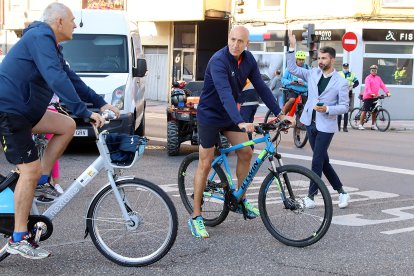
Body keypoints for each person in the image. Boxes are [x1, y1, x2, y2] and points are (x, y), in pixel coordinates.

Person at [0, 3, 119, 259]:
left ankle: (42, 183)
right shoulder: (40, 36)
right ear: (59, 22)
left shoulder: (52, 46)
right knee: (27, 170)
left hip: (25, 110)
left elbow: (71, 79)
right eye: (73, 20)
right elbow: (55, 78)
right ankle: (18, 238)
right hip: (10, 110)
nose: (76, 24)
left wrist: (100, 102)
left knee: (66, 125)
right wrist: (85, 111)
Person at [189, 26, 289, 239]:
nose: (235, 44)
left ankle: (239, 200)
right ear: (228, 39)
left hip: (229, 115)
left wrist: (280, 114)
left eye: (240, 41)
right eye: (232, 39)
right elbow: (224, 93)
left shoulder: (249, 60)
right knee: (205, 162)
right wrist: (241, 122)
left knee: (246, 152)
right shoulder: (218, 61)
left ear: (246, 44)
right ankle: (196, 216)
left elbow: (261, 87)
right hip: (209, 114)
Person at [286, 30, 351, 209]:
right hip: (310, 123)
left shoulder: (341, 82)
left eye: (324, 58)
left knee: (317, 159)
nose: (320, 61)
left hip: (326, 125)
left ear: (332, 60)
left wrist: (328, 108)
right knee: (323, 162)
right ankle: (342, 192)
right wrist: (292, 48)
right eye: (319, 58)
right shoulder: (313, 73)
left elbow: (345, 107)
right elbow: (292, 69)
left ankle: (311, 197)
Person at [358, 65, 391, 130]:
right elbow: (367, 87)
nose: (374, 71)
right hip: (368, 96)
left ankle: (373, 125)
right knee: (365, 110)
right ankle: (360, 124)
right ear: (370, 71)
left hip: (375, 96)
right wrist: (371, 93)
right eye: (373, 70)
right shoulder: (368, 78)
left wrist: (387, 92)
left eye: (375, 70)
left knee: (374, 112)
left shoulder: (378, 78)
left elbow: (382, 85)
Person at [281, 51, 309, 115]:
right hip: (292, 90)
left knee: (305, 108)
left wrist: (304, 83)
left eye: (302, 60)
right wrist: (290, 82)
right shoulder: (290, 68)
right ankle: (282, 114)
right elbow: (283, 79)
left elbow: (311, 81)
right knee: (292, 100)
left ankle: (299, 123)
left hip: (303, 92)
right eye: (299, 59)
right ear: (296, 59)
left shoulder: (307, 68)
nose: (301, 61)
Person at [337, 63, 359, 132]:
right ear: (342, 67)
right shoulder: (339, 73)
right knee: (340, 110)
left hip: (348, 93)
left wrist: (352, 87)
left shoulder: (352, 74)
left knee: (346, 110)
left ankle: (345, 127)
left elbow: (357, 82)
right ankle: (338, 127)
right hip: (340, 93)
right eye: (344, 67)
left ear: (348, 68)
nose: (345, 69)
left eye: (346, 68)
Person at [239, 79, 260, 144]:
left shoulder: (243, 77)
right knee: (249, 124)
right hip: (255, 102)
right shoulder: (253, 76)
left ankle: (247, 146)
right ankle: (250, 144)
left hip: (246, 103)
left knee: (245, 126)